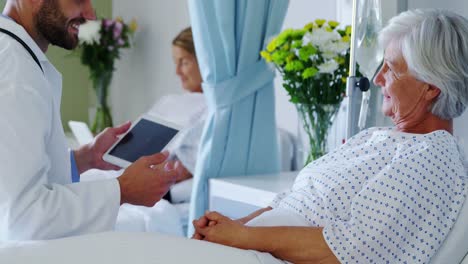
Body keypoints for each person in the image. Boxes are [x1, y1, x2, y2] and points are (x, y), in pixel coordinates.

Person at [187, 9, 468, 263]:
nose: (378, 78)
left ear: (431, 88)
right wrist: (230, 227)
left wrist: (242, 237)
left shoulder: (430, 158)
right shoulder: (376, 137)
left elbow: (351, 250)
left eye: (391, 69)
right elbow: (296, 199)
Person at [0, 0, 178, 240]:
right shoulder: (15, 72)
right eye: (79, 0)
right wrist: (122, 190)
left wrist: (83, 159)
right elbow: (22, 216)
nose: (91, 15)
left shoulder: (15, 58)